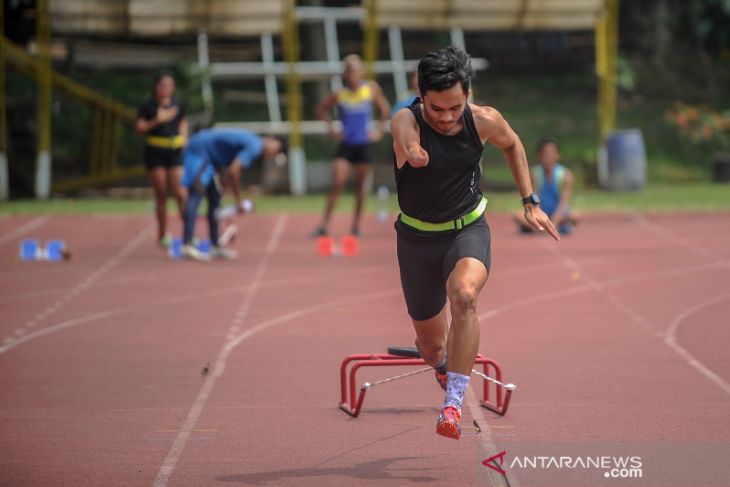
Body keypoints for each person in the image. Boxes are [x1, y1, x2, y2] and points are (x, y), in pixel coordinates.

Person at [390, 46, 559, 440]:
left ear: (467, 95)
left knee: (464, 295)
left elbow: (513, 144)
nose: (447, 118)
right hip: (416, 239)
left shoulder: (483, 119)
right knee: (433, 350)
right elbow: (406, 137)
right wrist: (414, 154)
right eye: (437, 109)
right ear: (421, 93)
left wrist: (529, 201)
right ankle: (440, 360)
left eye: (455, 107)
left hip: (468, 228)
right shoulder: (405, 120)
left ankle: (453, 404)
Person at [312, 54, 391, 237]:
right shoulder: (340, 94)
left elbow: (385, 108)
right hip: (346, 145)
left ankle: (355, 225)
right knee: (337, 183)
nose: (355, 74)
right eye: (351, 71)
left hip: (364, 145)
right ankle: (324, 225)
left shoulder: (371, 88)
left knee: (360, 187)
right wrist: (333, 130)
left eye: (358, 70)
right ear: (346, 75)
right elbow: (321, 109)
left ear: (362, 72)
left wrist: (379, 130)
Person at [180, 128, 285, 261]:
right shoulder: (255, 146)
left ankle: (215, 246)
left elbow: (227, 162)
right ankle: (187, 243)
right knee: (196, 194)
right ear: (271, 139)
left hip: (210, 158)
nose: (273, 154)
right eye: (277, 149)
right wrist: (238, 201)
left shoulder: (253, 142)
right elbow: (234, 171)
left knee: (215, 198)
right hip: (201, 151)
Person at [135, 73, 188, 248]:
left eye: (169, 85)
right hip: (155, 152)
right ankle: (163, 234)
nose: (166, 89)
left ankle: (188, 233)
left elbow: (183, 121)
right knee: (162, 194)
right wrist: (157, 120)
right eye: (162, 85)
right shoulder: (148, 106)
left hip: (174, 151)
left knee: (180, 193)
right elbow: (140, 127)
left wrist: (183, 138)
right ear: (156, 87)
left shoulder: (178, 104)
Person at [515, 137, 577, 235]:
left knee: (575, 216)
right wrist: (537, 215)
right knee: (517, 216)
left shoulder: (565, 175)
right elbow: (534, 198)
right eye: (544, 153)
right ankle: (542, 227)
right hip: (541, 210)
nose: (547, 156)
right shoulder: (534, 174)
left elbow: (563, 202)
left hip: (558, 212)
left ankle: (543, 228)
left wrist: (555, 221)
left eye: (551, 153)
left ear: (557, 155)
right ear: (539, 156)